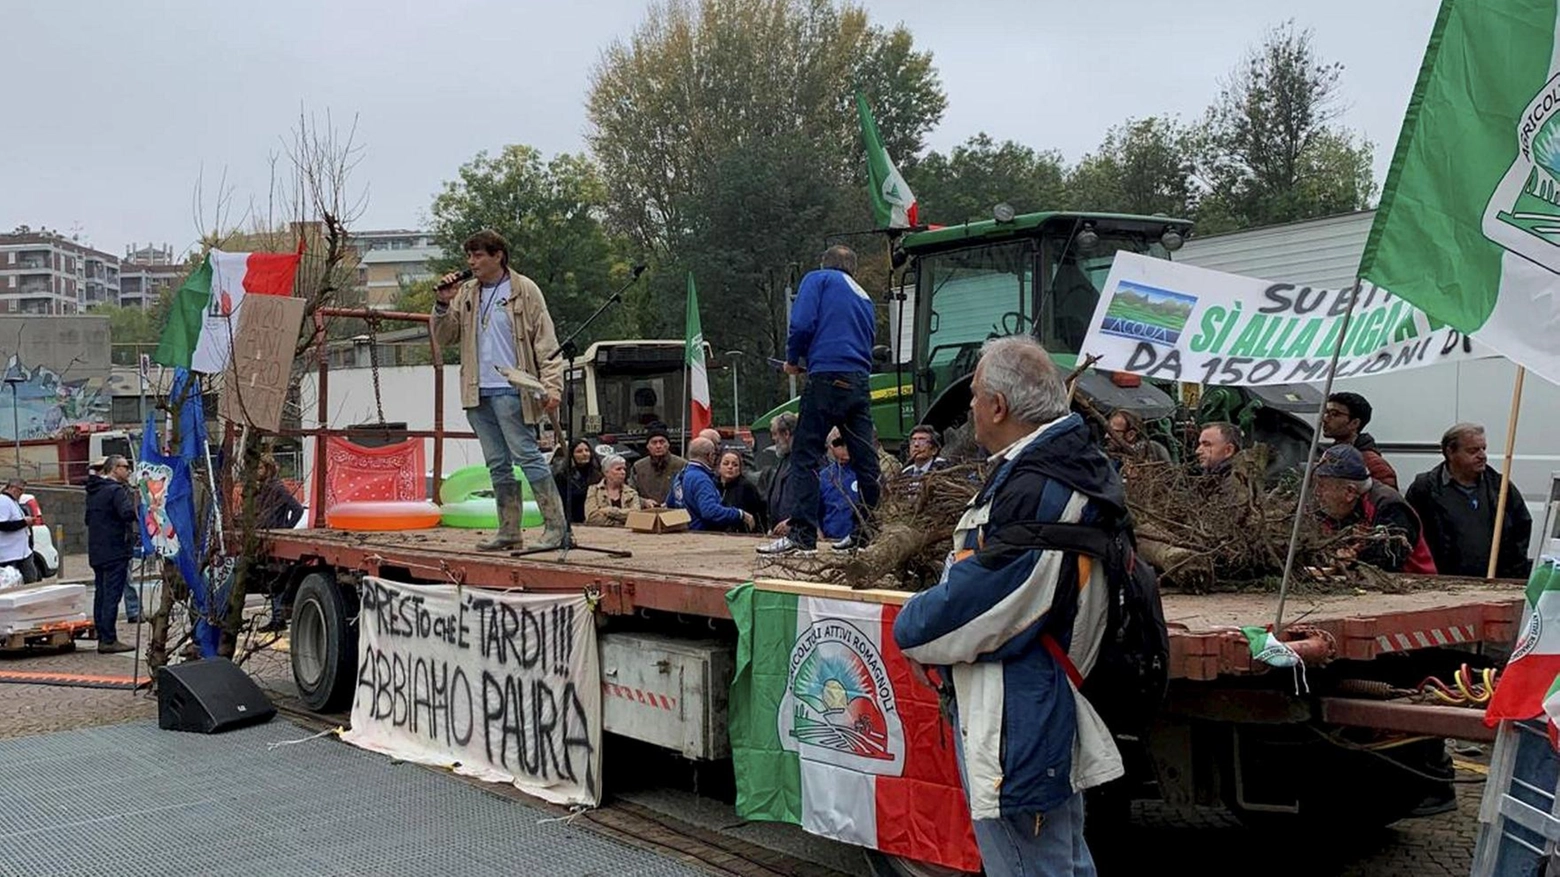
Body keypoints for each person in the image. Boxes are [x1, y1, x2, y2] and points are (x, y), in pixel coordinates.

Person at [893, 336, 1125, 875]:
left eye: (974, 395)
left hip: (1017, 708)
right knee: (1060, 860)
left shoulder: (1040, 484)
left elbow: (986, 600)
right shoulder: (1058, 467)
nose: (970, 406)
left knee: (1028, 863)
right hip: (1037, 698)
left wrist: (912, 623)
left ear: (997, 406)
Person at [432, 229, 569, 552]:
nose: (471, 262)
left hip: (512, 387)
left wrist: (552, 387)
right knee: (496, 462)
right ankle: (509, 529)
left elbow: (546, 343)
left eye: (478, 255)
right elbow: (446, 336)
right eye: (469, 256)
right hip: (477, 390)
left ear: (498, 256)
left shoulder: (524, 290)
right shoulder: (466, 292)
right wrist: (442, 304)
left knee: (527, 455)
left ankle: (555, 527)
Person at [759, 245, 881, 555]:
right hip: (858, 380)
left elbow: (801, 323)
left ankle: (802, 535)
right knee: (865, 460)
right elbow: (866, 339)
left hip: (826, 377)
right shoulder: (864, 297)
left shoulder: (819, 279)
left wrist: (792, 358)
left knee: (804, 455)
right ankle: (866, 533)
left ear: (825, 264)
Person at [1406, 423, 1533, 578]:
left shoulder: (1500, 487)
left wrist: (1512, 573)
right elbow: (1411, 536)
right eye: (1473, 451)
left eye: (1483, 449)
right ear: (1450, 452)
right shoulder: (1424, 489)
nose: (1482, 455)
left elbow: (1522, 528)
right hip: (1444, 583)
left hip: (1493, 582)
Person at [1312, 445, 1436, 574]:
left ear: (1350, 492)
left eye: (1321, 486)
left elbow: (1388, 560)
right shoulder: (1329, 509)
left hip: (1415, 585)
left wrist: (1352, 558)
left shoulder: (1390, 507)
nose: (1316, 492)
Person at [85, 455, 137, 653]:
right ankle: (108, 639)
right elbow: (126, 513)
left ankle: (102, 633)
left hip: (97, 550)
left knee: (101, 593)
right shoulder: (116, 490)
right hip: (115, 549)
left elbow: (88, 519)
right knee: (111, 596)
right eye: (125, 467)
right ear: (115, 468)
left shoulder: (94, 490)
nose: (128, 470)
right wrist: (140, 507)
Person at [254, 456, 304, 633]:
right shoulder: (263, 489)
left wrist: (285, 529)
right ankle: (276, 616)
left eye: (260, 468)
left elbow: (297, 509)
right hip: (265, 537)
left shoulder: (277, 488)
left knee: (277, 578)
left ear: (268, 469)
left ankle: (278, 617)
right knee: (272, 579)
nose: (256, 472)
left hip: (274, 537)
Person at [667, 438, 753, 532]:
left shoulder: (680, 476)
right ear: (710, 455)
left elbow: (670, 503)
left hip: (684, 533)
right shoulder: (701, 479)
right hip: (702, 536)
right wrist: (740, 514)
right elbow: (710, 511)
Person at [1322, 392, 1397, 489]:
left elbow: (1386, 499)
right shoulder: (1329, 455)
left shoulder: (1372, 463)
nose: (1325, 418)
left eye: (1334, 414)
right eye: (1325, 412)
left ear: (1354, 423)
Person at [819, 429, 862, 549]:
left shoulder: (867, 473)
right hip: (831, 541)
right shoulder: (825, 477)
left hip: (861, 542)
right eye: (838, 445)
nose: (843, 449)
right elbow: (815, 511)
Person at [758, 413, 798, 538]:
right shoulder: (784, 459)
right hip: (780, 533)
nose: (773, 439)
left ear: (786, 434)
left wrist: (794, 521)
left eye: (775, 434)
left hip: (796, 532)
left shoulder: (804, 461)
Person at [630, 424, 686, 508]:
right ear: (648, 446)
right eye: (654, 443)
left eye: (662, 442)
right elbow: (629, 493)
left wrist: (671, 502)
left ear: (668, 445)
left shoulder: (681, 465)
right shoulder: (638, 467)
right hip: (647, 514)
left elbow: (688, 492)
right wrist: (643, 502)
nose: (658, 446)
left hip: (674, 513)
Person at [584, 454, 642, 527]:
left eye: (624, 469)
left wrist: (609, 511)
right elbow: (591, 517)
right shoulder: (593, 490)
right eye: (618, 469)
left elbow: (636, 515)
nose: (623, 472)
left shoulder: (632, 492)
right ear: (606, 472)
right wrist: (620, 523)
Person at [716, 449, 766, 532]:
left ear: (740, 469)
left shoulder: (747, 487)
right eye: (726, 463)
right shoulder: (713, 484)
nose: (730, 467)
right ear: (719, 467)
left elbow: (759, 513)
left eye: (735, 465)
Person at [555, 438, 603, 525]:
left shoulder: (598, 475)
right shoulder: (563, 476)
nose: (584, 454)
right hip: (572, 521)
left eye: (587, 450)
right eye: (579, 451)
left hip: (594, 520)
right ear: (572, 455)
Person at [0, 480, 39, 584]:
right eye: (20, 490)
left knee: (30, 579)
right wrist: (24, 522)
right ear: (12, 488)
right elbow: (2, 525)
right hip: (10, 553)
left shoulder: (12, 501)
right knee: (12, 583)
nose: (22, 493)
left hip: (22, 552)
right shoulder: (3, 501)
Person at [1107, 409, 1173, 464]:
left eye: (1114, 432)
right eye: (1108, 431)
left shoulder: (1153, 450)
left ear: (1131, 435)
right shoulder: (1106, 456)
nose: (1107, 436)